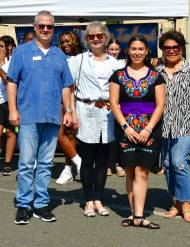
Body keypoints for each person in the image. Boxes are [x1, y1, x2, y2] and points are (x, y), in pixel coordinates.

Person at [7, 10, 73, 225]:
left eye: (50, 26)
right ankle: (24, 205)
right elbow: (12, 82)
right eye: (42, 26)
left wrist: (69, 111)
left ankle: (40, 204)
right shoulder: (21, 52)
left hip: (52, 116)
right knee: (26, 163)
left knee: (45, 164)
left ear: (53, 29)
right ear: (34, 28)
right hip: (28, 115)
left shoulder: (58, 55)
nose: (46, 29)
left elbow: (66, 85)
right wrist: (13, 110)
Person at [110, 34, 165, 229]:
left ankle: (140, 216)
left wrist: (148, 129)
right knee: (130, 171)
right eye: (133, 49)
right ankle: (134, 214)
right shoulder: (118, 75)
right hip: (126, 129)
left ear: (147, 51)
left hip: (149, 130)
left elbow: (160, 105)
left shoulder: (156, 76)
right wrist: (126, 127)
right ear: (128, 50)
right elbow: (114, 104)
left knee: (142, 172)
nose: (137, 52)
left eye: (141, 49)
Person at [156, 30, 190, 223]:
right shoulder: (157, 71)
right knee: (168, 165)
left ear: (181, 48)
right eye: (167, 48)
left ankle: (186, 203)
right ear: (162, 49)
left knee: (178, 163)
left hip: (185, 125)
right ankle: (175, 202)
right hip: (163, 126)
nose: (171, 51)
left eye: (175, 47)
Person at [68, 21, 120, 217]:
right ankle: (88, 200)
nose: (96, 39)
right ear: (87, 39)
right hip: (85, 111)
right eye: (92, 36)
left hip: (107, 113)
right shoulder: (78, 60)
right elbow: (69, 88)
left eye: (100, 35)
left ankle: (98, 199)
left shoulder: (116, 64)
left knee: (102, 160)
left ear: (105, 37)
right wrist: (71, 112)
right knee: (87, 159)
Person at [56, 31, 82, 185]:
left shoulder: (83, 57)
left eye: (68, 41)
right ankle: (79, 163)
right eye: (62, 42)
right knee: (60, 133)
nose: (65, 44)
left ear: (75, 41)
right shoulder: (58, 58)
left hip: (80, 100)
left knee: (71, 134)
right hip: (61, 100)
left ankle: (68, 168)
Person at [106, 38, 126, 177]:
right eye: (111, 49)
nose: (113, 52)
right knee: (107, 136)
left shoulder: (123, 64)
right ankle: (108, 164)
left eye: (116, 49)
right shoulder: (103, 62)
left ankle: (118, 164)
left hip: (120, 104)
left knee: (119, 135)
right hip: (105, 104)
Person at [0, 37, 17, 176]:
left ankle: (7, 163)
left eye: (1, 46)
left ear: (7, 48)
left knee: (11, 132)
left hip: (7, 101)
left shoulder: (11, 63)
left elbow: (8, 80)